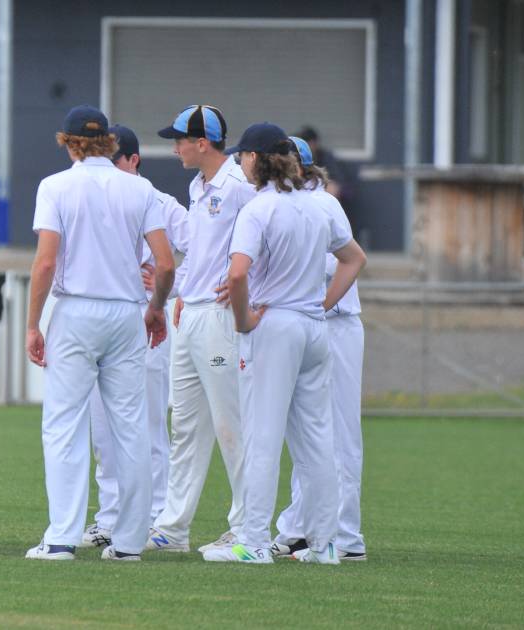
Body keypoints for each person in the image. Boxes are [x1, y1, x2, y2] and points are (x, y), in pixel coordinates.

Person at [202, 123, 365, 564]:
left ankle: (253, 543)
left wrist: (244, 320)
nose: (239, 162)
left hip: (276, 327)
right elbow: (354, 259)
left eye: (242, 156)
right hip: (314, 327)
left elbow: (237, 274)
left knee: (263, 435)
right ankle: (327, 544)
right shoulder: (318, 205)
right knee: (318, 440)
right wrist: (323, 303)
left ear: (256, 158)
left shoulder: (259, 209)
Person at [24, 105, 175, 561]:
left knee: (64, 425)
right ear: (110, 143)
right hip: (126, 312)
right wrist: (155, 308)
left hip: (76, 311)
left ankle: (61, 539)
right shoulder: (140, 188)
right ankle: (128, 542)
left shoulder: (55, 187)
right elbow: (165, 264)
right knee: (131, 428)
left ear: (68, 143)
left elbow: (47, 261)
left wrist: (33, 324)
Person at [148, 105, 255, 554]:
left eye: (181, 140)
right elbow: (199, 248)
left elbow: (266, 234)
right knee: (186, 424)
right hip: (190, 312)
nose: (175, 147)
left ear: (203, 143)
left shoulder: (238, 187)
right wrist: (181, 295)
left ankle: (249, 525)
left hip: (218, 318)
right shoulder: (198, 186)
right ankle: (173, 529)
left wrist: (247, 286)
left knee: (231, 423)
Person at [80, 124, 187, 549]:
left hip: (147, 322)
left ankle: (156, 514)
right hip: (103, 320)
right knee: (103, 426)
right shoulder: (91, 197)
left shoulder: (160, 202)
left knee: (147, 423)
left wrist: (171, 287)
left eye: (114, 158)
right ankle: (110, 516)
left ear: (133, 161)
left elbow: (206, 251)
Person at [272, 136, 367, 562]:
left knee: (338, 432)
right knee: (306, 433)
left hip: (336, 324)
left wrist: (320, 304)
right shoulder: (290, 204)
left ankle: (345, 538)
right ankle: (299, 528)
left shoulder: (322, 205)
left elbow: (342, 261)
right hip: (312, 325)